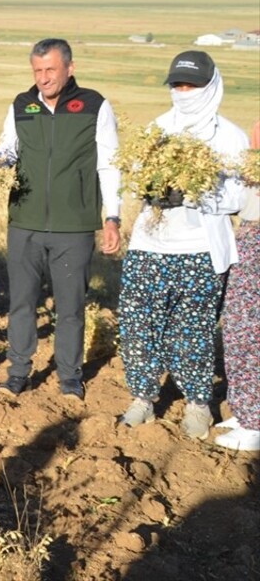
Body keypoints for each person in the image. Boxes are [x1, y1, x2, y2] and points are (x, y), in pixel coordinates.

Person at [117, 52, 248, 439]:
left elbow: (239, 198)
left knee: (193, 331)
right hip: (149, 244)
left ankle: (197, 405)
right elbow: (137, 178)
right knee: (138, 324)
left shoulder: (230, 136)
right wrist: (153, 189)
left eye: (191, 85)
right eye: (177, 85)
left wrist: (194, 193)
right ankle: (142, 398)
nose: (183, 92)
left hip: (201, 250)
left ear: (211, 86)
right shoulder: (157, 129)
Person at [0, 38, 121, 400]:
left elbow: (109, 163)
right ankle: (18, 371)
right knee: (21, 302)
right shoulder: (21, 105)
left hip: (74, 225)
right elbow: (7, 150)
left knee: (70, 307)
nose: (43, 78)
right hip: (25, 222)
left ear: (70, 67)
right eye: (37, 70)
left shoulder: (94, 105)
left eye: (50, 69)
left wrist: (112, 217)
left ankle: (69, 377)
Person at [217, 118, 260, 451]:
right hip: (248, 229)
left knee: (247, 329)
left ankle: (253, 423)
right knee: (236, 325)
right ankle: (244, 407)